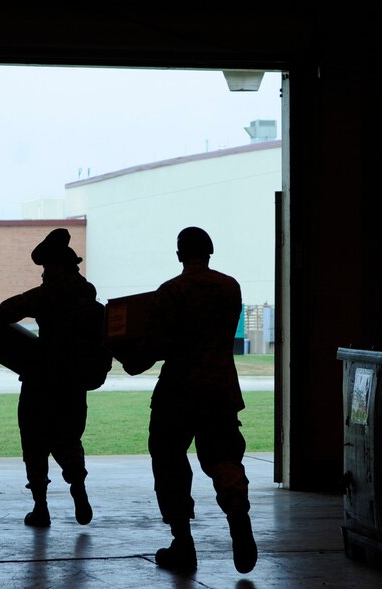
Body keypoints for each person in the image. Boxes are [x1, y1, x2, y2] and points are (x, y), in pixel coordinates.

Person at [123, 226, 257, 574]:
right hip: (221, 390)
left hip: (178, 392)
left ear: (180, 254)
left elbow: (154, 346)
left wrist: (127, 356)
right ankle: (237, 508)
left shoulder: (171, 291)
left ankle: (183, 543)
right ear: (210, 251)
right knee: (223, 457)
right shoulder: (230, 287)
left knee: (169, 461)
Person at [0, 228, 97, 527]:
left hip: (41, 383)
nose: (43, 274)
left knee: (34, 444)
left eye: (47, 267)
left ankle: (41, 507)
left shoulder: (49, 295)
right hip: (74, 385)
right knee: (69, 440)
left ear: (56, 267)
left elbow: (10, 307)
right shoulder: (89, 300)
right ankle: (79, 490)